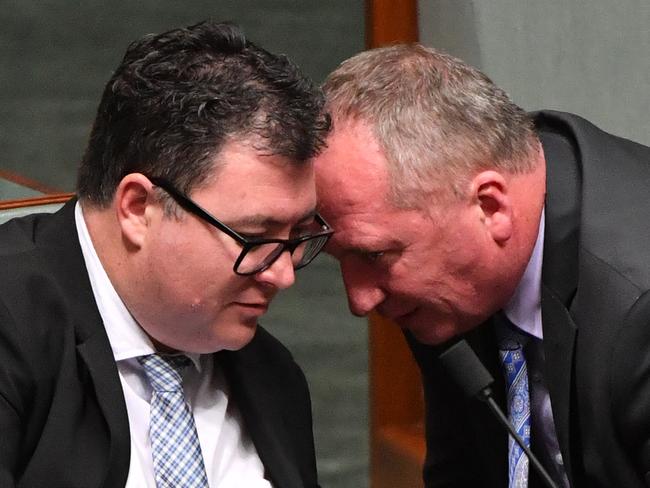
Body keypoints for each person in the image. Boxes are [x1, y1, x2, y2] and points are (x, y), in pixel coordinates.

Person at [0, 20, 332, 488]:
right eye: (255, 237)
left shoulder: (272, 377)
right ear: (138, 207)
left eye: (298, 234)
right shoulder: (12, 326)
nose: (283, 275)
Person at [315, 43, 650, 488]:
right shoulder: (451, 286)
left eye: (374, 256)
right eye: (340, 259)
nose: (360, 299)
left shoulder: (637, 299)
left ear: (490, 206)